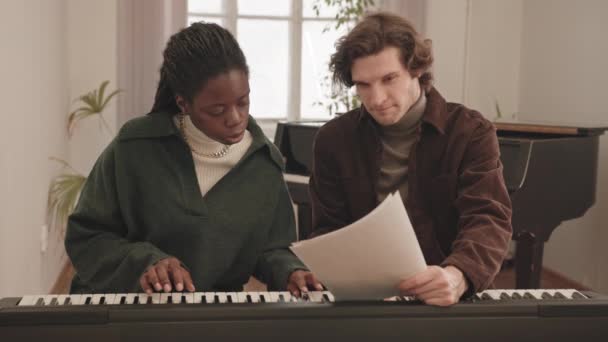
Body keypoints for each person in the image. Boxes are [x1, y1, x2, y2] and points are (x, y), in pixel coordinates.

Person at [65, 22, 321, 296]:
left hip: (211, 316)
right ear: (183, 103)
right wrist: (146, 263)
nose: (235, 118)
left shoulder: (264, 164)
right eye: (217, 109)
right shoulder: (134, 147)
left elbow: (271, 249)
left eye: (243, 102)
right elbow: (87, 236)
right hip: (125, 307)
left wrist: (291, 271)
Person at [309, 12, 512, 306]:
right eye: (363, 85)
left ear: (416, 68)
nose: (377, 98)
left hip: (451, 296)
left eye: (389, 79)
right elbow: (328, 229)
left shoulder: (471, 132)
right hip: (366, 300)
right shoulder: (333, 140)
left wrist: (457, 276)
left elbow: (488, 218)